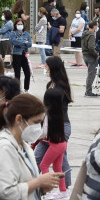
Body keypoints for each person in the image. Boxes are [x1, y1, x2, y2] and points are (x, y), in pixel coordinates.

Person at [35, 56, 73, 192]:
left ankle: (64, 187)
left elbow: (53, 108)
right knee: (38, 157)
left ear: (53, 68)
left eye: (47, 65)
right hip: (49, 127)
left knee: (61, 159)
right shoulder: (51, 84)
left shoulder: (60, 87)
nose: (45, 67)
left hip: (60, 127)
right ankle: (33, 182)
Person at [38, 88, 67, 200]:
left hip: (55, 145)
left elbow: (44, 132)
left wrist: (37, 137)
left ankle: (48, 191)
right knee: (57, 167)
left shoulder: (47, 114)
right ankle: (63, 191)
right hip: (62, 143)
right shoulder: (59, 112)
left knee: (43, 165)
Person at [9, 18, 32, 92]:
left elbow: (30, 44)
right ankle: (17, 90)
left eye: (21, 24)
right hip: (16, 54)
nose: (20, 25)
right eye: (18, 24)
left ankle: (26, 89)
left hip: (24, 54)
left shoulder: (26, 33)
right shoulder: (13, 33)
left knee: (27, 73)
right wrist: (24, 42)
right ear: (15, 25)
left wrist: (22, 42)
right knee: (17, 74)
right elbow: (14, 42)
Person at [81, 20, 98, 97]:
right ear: (94, 26)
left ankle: (88, 90)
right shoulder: (91, 35)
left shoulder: (84, 33)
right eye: (97, 25)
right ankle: (88, 91)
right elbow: (91, 47)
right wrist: (96, 55)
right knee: (91, 74)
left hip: (85, 55)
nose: (97, 27)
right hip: (90, 56)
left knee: (89, 74)